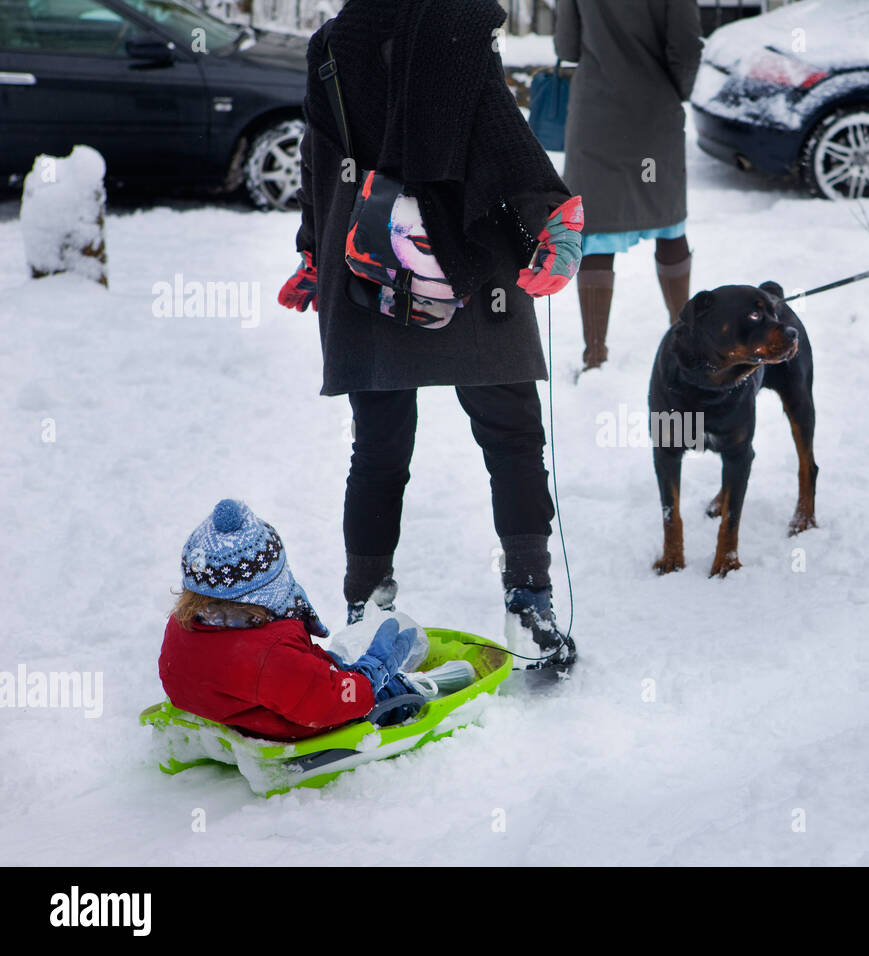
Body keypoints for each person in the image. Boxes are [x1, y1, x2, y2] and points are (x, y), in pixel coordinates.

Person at [278, 0, 580, 670]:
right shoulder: (459, 27)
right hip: (471, 259)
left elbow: (318, 158)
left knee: (379, 447)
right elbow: (501, 137)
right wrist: (551, 219)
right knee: (512, 438)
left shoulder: (333, 42)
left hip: (369, 265)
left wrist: (312, 252)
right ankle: (529, 603)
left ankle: (366, 609)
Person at [159, 499, 432, 740]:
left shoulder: (181, 625)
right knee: (394, 695)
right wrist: (369, 677)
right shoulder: (270, 655)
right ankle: (420, 689)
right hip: (287, 723)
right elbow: (324, 702)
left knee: (321, 672)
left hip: (238, 705)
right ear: (269, 590)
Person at [554, 0, 702, 370]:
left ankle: (595, 354)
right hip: (654, 111)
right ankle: (684, 338)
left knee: (598, 229)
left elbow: (567, 46)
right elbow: (685, 45)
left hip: (596, 113)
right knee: (670, 224)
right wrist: (673, 90)